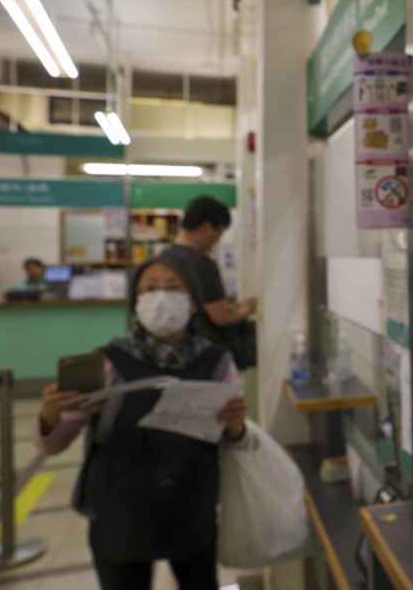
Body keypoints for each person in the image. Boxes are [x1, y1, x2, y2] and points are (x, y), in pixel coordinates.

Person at [36, 256, 248, 589]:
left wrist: (236, 426)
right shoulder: (108, 362)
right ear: (136, 304)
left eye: (173, 288)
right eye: (150, 289)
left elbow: (238, 441)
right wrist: (50, 416)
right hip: (120, 512)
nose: (161, 296)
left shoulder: (217, 363)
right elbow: (53, 444)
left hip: (191, 508)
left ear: (192, 304)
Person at [164, 196, 256, 328]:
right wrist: (248, 307)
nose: (218, 239)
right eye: (219, 231)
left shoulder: (166, 257)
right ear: (206, 227)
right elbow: (222, 317)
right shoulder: (201, 264)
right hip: (200, 342)